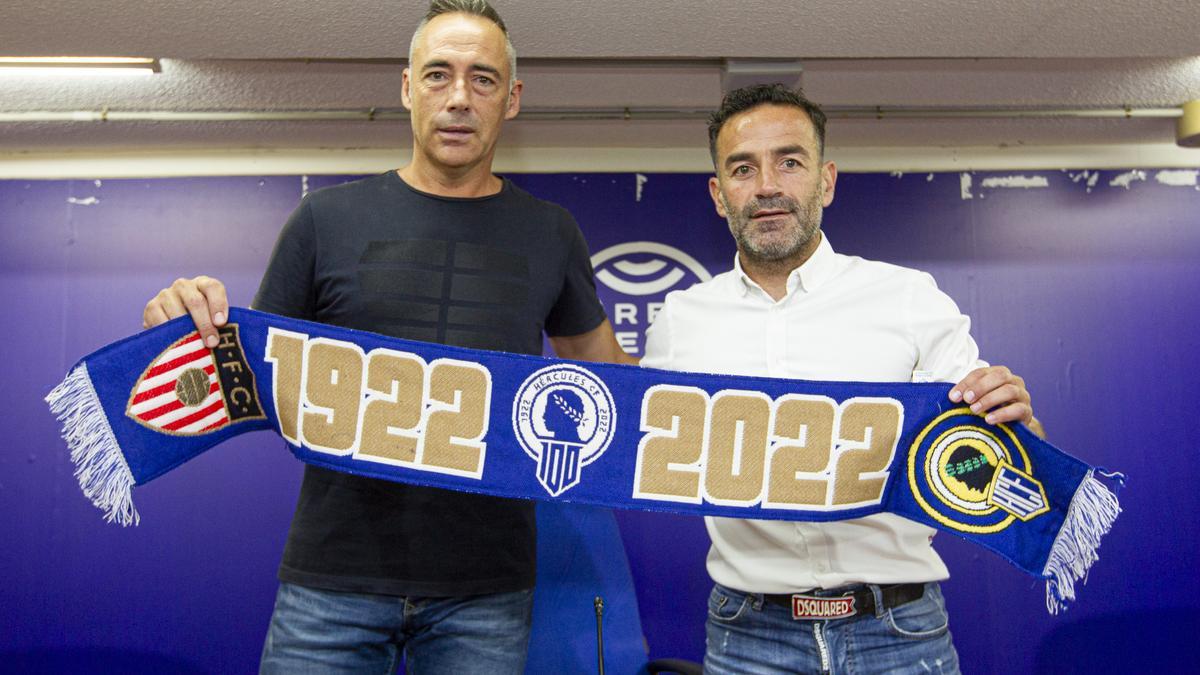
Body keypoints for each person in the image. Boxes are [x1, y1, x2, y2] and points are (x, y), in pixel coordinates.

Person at [142, 1, 634, 672]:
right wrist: (180, 327)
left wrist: (708, 384)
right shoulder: (324, 219)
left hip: (486, 590)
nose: (459, 97)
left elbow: (614, 384)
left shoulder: (551, 231)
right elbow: (246, 378)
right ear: (407, 87)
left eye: (482, 79)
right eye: (438, 74)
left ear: (511, 99)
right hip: (331, 580)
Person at [641, 83, 1044, 674]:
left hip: (900, 632)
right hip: (748, 634)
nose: (768, 185)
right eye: (743, 169)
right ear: (719, 194)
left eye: (790, 162)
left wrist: (1017, 424)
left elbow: (994, 454)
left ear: (826, 180)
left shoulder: (908, 298)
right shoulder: (679, 321)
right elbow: (639, 453)